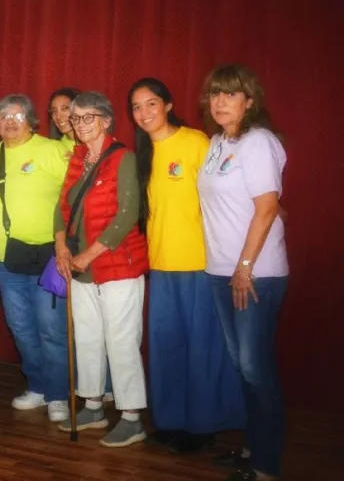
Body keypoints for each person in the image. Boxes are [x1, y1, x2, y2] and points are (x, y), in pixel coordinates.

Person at [128, 78, 245, 453]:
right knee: (165, 346)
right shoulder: (142, 153)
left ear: (168, 104)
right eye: (136, 107)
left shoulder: (196, 143)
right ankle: (171, 419)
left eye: (150, 104)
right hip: (161, 264)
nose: (143, 113)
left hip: (199, 263)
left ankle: (202, 423)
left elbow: (227, 196)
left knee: (202, 347)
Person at [197, 65, 287, 481]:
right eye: (215, 94)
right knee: (241, 365)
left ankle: (267, 464)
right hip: (220, 269)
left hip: (255, 272)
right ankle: (252, 447)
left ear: (249, 101)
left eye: (231, 94)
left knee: (255, 368)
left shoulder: (258, 143)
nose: (220, 101)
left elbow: (267, 209)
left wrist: (244, 268)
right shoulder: (218, 142)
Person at [53, 91, 149, 447]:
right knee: (87, 338)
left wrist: (86, 256)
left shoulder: (123, 158)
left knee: (121, 341)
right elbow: (61, 207)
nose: (80, 125)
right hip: (80, 266)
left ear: (106, 120)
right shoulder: (78, 158)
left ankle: (132, 416)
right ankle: (93, 405)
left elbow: (125, 216)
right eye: (75, 119)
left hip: (116, 266)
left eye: (87, 117)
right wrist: (62, 247)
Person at [0, 95, 70, 422]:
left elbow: (76, 197)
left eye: (18, 115)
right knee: (20, 327)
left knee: (51, 329)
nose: (10, 121)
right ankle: (37, 386)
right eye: (3, 115)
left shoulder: (52, 150)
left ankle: (58, 393)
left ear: (32, 120)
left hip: (49, 256)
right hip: (7, 260)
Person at [48, 87, 81, 159]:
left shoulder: (94, 144)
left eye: (64, 109)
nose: (58, 116)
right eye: (54, 111)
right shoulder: (55, 147)